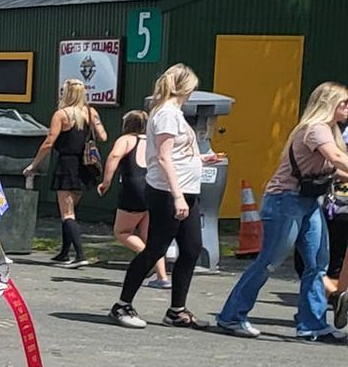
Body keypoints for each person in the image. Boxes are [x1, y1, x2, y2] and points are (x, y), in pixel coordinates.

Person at [214, 82, 348, 340]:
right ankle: (231, 316)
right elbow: (337, 158)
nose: (346, 108)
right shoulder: (316, 129)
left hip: (309, 202)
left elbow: (337, 169)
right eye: (343, 103)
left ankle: (312, 325)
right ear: (329, 104)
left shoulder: (330, 130)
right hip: (285, 200)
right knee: (269, 262)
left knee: (317, 264)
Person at [113, 64, 217, 330]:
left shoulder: (174, 114)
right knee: (156, 248)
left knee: (192, 249)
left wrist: (199, 159)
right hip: (169, 192)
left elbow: (175, 153)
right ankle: (122, 304)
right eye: (192, 87)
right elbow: (163, 156)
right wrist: (177, 196)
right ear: (186, 87)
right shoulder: (168, 114)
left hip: (187, 189)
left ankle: (177, 310)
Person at [25, 78, 107, 268]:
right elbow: (103, 136)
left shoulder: (61, 115)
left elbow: (49, 142)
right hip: (85, 166)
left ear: (67, 94)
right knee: (70, 210)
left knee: (67, 213)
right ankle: (64, 251)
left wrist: (34, 164)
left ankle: (80, 254)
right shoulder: (90, 112)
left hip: (67, 164)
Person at [97, 110, 168, 292]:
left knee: (122, 231)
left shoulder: (127, 139)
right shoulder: (153, 141)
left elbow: (114, 156)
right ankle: (162, 277)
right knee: (150, 237)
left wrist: (106, 181)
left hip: (133, 189)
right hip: (154, 188)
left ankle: (147, 258)